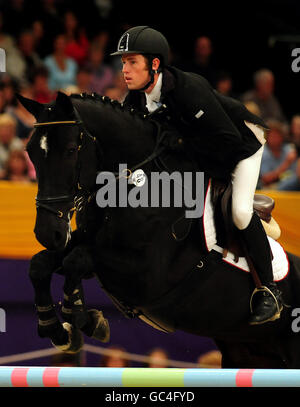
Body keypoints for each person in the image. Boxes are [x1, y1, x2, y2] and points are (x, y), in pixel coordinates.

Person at [110, 26, 283, 325]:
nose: (125, 69)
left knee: (240, 212)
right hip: (202, 154)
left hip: (241, 144)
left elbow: (225, 142)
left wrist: (185, 165)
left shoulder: (188, 90)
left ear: (154, 64)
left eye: (132, 62)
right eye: (123, 62)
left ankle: (269, 291)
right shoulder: (135, 99)